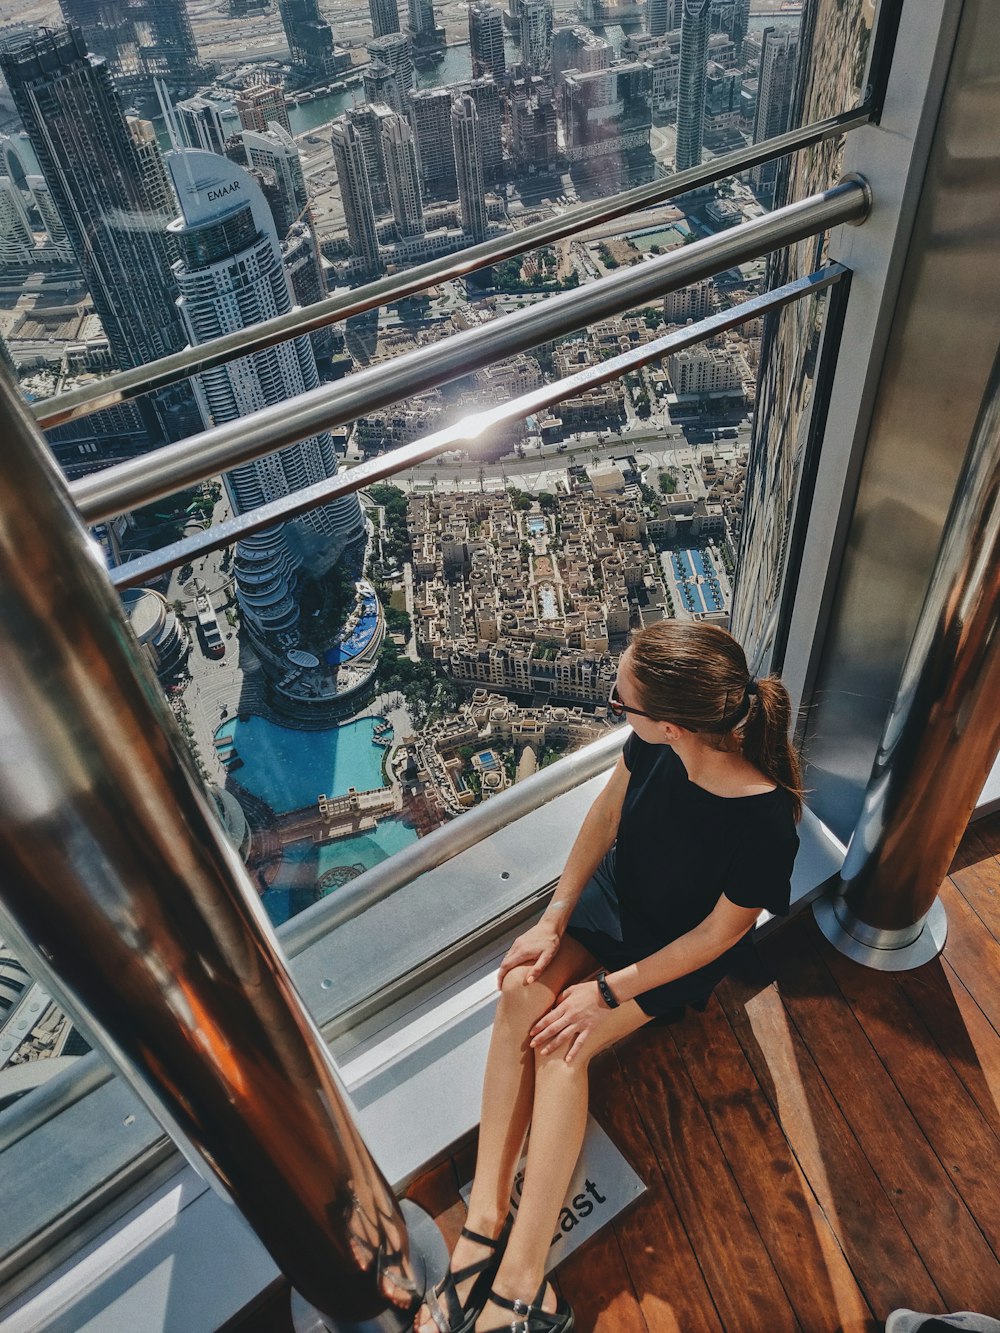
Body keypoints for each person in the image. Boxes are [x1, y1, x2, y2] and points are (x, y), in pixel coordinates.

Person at [417, 621, 802, 1333]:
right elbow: (606, 813)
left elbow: (719, 935)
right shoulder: (657, 746)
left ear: (674, 725)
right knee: (519, 993)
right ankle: (485, 1217)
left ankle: (523, 1282)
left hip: (675, 948)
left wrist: (607, 989)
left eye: (622, 701)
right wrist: (553, 919)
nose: (612, 704)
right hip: (619, 901)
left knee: (564, 1046)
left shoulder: (766, 821)